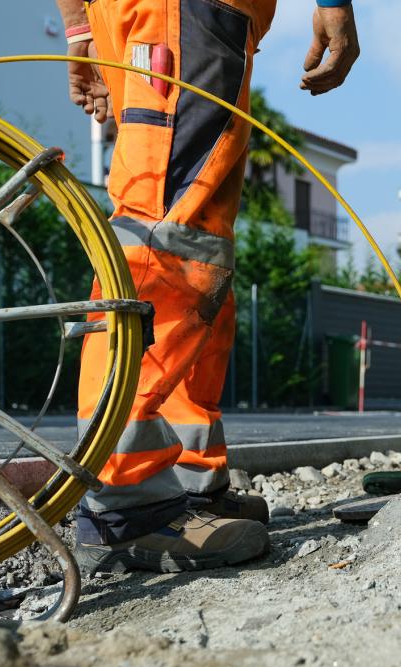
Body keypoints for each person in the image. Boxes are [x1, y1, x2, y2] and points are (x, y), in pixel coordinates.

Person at [52, 0, 360, 574]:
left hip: (182, 19)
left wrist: (81, 27)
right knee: (165, 242)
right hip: (182, 16)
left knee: (197, 250)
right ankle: (127, 501)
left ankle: (188, 481)